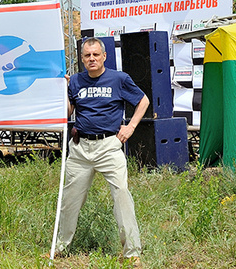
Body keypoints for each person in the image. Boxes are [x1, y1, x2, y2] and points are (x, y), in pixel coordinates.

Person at [56, 37, 149, 266]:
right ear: (82, 58)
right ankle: (60, 247)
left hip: (109, 146)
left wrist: (131, 127)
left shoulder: (119, 79)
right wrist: (64, 90)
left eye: (96, 55)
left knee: (122, 196)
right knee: (70, 200)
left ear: (104, 56)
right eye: (87, 56)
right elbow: (68, 113)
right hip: (80, 149)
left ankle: (132, 252)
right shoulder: (76, 81)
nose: (91, 59)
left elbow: (143, 100)